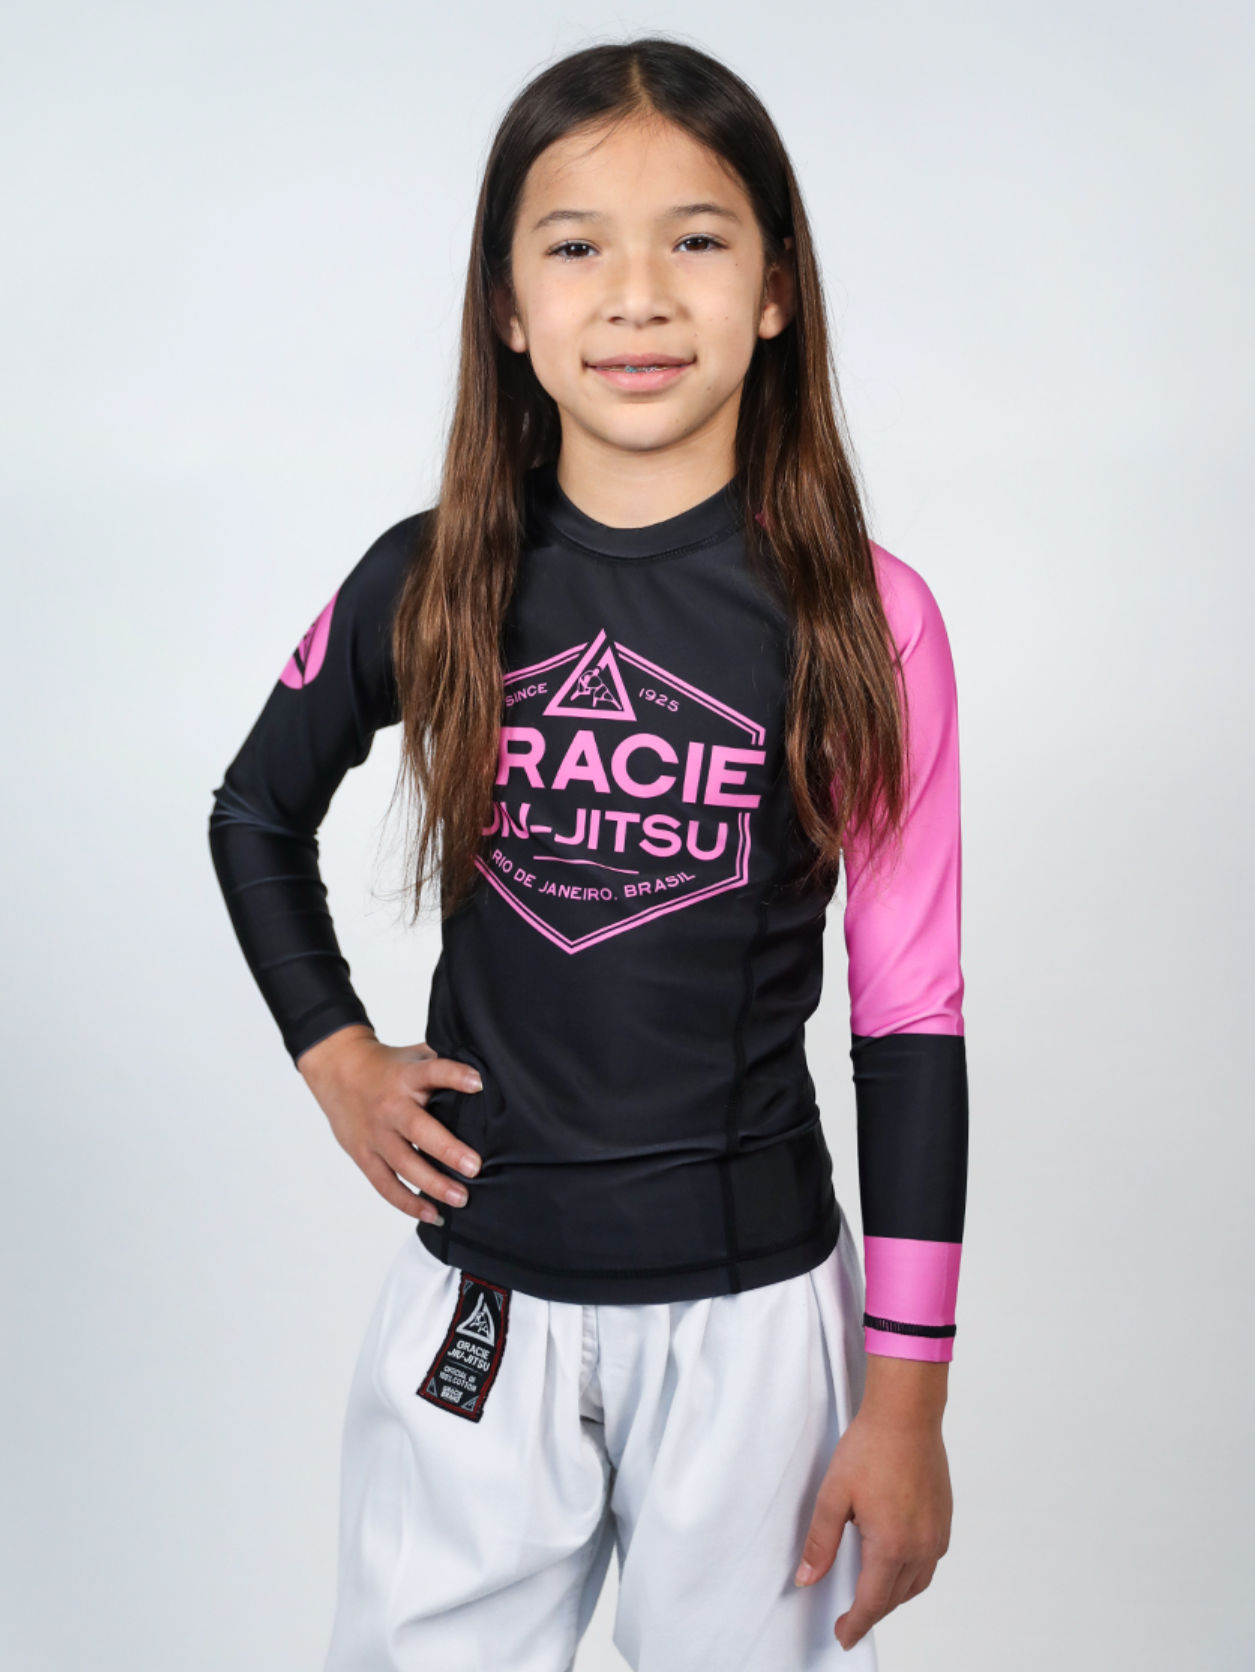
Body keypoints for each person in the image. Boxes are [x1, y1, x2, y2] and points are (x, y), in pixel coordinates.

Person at [208, 35, 968, 1672]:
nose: (637, 295)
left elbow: (910, 1027)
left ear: (777, 288)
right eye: (575, 246)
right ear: (506, 302)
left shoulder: (866, 615)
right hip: (481, 1299)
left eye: (696, 239)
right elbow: (255, 811)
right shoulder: (431, 580)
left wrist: (906, 1403)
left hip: (755, 1321)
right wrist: (336, 1055)